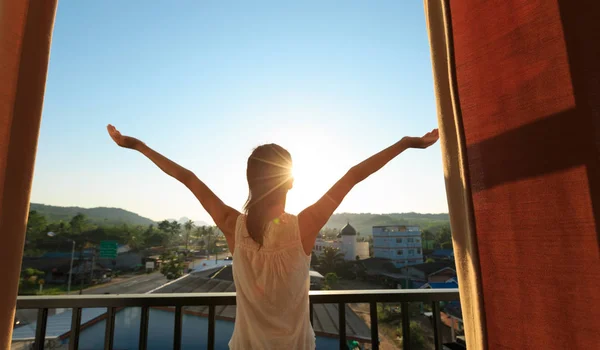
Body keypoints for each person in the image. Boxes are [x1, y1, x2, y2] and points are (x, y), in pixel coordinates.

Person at [107, 124, 439, 349]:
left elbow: (188, 178)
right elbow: (352, 176)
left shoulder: (232, 225)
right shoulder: (304, 227)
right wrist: (406, 144)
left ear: (250, 181)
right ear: (290, 180)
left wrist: (138, 146)